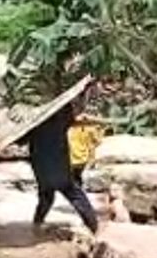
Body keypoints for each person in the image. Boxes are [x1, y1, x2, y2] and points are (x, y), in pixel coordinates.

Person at [23, 90, 100, 235]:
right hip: (59, 168)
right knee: (75, 194)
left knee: (46, 197)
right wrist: (84, 92)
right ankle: (94, 227)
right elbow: (75, 111)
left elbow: (20, 140)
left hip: (42, 170)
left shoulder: (33, 125)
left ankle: (37, 224)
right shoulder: (60, 120)